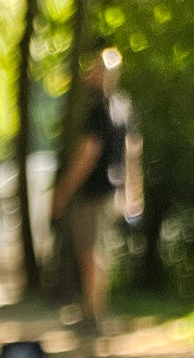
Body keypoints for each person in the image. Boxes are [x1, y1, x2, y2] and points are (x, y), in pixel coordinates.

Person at [50, 45, 142, 331]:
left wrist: (62, 192)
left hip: (93, 192)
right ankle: (94, 310)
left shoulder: (99, 111)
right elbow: (132, 152)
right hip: (113, 192)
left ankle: (93, 315)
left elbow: (88, 155)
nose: (89, 74)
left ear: (104, 74)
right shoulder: (123, 109)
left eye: (94, 69)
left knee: (89, 252)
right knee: (99, 252)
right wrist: (133, 193)